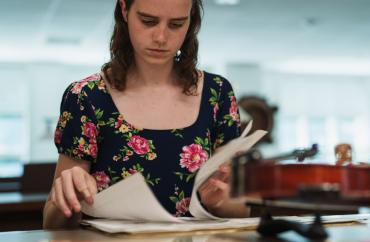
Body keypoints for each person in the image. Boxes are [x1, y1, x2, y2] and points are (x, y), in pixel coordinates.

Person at [43, 0, 249, 229]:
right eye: (148, 21)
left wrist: (223, 202)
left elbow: (241, 208)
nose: (161, 37)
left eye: (176, 24)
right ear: (124, 10)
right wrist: (70, 199)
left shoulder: (217, 93)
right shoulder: (86, 97)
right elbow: (52, 224)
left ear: (190, 21)